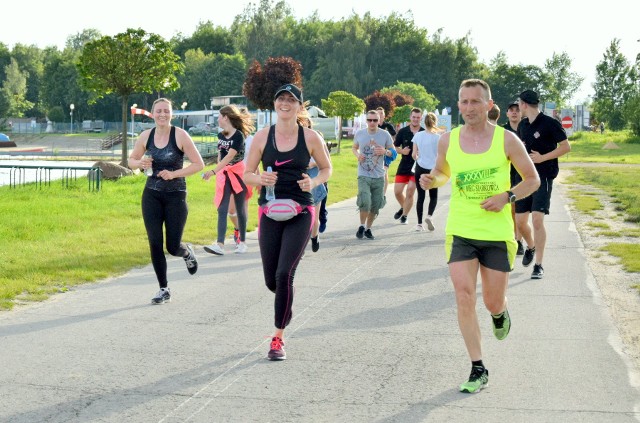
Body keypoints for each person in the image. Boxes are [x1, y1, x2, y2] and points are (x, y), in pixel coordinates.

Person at [419, 79, 539, 393]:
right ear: (458, 105)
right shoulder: (449, 139)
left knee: (491, 300)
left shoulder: (507, 140)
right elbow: (444, 172)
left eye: (475, 102)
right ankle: (478, 367)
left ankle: (500, 312)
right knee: (463, 295)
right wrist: (432, 181)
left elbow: (532, 180)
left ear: (488, 104)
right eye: (464, 102)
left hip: (497, 231)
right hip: (461, 229)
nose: (469, 108)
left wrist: (506, 197)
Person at [243, 84, 332, 360]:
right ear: (274, 104)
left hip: (301, 211)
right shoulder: (261, 137)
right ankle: (285, 297)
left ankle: (278, 338)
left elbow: (327, 168)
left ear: (299, 106)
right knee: (273, 280)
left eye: (291, 100)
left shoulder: (311, 137)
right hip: (269, 211)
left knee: (284, 274)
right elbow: (246, 173)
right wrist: (260, 179)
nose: (285, 103)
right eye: (281, 98)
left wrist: (313, 181)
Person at [128, 97, 205, 304]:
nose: (162, 114)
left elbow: (198, 164)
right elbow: (131, 161)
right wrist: (141, 163)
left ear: (171, 114)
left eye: (166, 111)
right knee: (154, 242)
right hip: (151, 195)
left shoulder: (180, 135)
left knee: (172, 247)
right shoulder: (146, 136)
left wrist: (174, 174)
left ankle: (186, 251)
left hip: (175, 196)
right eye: (158, 111)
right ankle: (163, 288)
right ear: (153, 114)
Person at [515, 90, 571, 279]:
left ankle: (538, 265)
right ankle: (530, 246)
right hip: (524, 179)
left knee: (537, 219)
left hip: (543, 177)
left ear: (524, 104)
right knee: (520, 222)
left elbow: (566, 147)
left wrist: (542, 158)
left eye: (519, 104)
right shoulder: (523, 125)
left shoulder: (550, 123)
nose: (518, 107)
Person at [202, 105, 255, 255]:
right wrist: (218, 174)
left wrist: (212, 171)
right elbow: (221, 156)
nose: (217, 120)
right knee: (222, 208)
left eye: (219, 117)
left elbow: (230, 156)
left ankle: (242, 242)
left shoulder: (239, 136)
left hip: (238, 174)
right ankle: (220, 244)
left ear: (226, 117)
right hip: (224, 175)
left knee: (240, 209)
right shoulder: (220, 136)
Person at [352, 110, 394, 240]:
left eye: (375, 120)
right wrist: (358, 155)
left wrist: (385, 151)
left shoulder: (385, 134)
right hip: (363, 174)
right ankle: (361, 226)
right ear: (366, 121)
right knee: (365, 201)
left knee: (375, 205)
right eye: (369, 120)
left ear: (379, 121)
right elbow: (354, 147)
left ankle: (368, 229)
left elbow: (393, 153)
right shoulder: (360, 133)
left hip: (379, 175)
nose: (372, 123)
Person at [393, 107, 424, 224]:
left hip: (417, 167)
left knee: (410, 190)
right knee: (397, 192)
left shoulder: (424, 132)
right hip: (404, 165)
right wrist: (402, 151)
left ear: (421, 118)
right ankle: (403, 207)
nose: (415, 119)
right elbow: (394, 147)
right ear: (410, 117)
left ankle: (404, 216)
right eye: (414, 117)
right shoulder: (403, 131)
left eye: (418, 117)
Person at [411, 112, 440, 232]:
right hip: (432, 169)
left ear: (424, 122)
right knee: (433, 196)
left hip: (420, 168)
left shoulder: (418, 135)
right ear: (435, 122)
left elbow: (414, 155)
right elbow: (440, 156)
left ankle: (419, 224)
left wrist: (419, 159)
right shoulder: (438, 137)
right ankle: (429, 216)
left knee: (421, 196)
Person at [502, 100, 525, 255]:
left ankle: (519, 240)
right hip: (506, 174)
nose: (514, 112)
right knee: (509, 208)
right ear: (507, 113)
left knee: (520, 210)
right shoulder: (502, 131)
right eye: (511, 110)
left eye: (517, 109)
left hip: (523, 174)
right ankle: (511, 238)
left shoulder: (527, 129)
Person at [377, 107, 397, 197]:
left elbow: (393, 138)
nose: (380, 115)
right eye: (378, 113)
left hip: (386, 153)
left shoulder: (388, 126)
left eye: (381, 113)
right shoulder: (373, 125)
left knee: (384, 173)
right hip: (375, 153)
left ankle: (383, 195)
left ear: (384, 115)